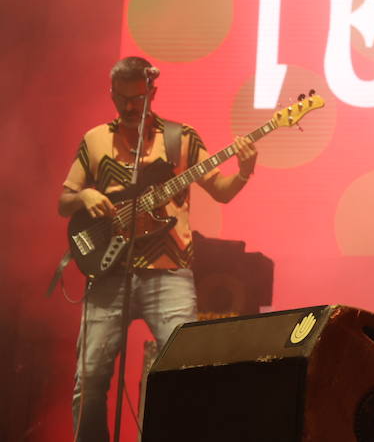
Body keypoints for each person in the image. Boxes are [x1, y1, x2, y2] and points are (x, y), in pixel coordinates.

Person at [59, 56, 258, 442]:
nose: (130, 107)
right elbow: (62, 202)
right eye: (122, 99)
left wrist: (245, 172)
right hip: (108, 272)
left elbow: (220, 192)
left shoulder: (180, 138)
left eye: (138, 99)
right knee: (90, 378)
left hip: (169, 272)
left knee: (188, 369)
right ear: (112, 94)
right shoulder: (95, 139)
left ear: (152, 92)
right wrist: (84, 195)